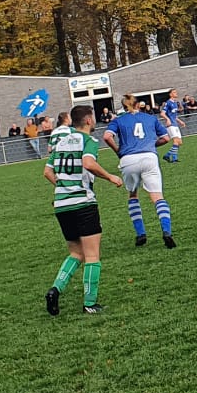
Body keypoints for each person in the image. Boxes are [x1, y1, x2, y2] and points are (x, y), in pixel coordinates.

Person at [44, 104, 119, 316]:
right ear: (87, 120)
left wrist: (63, 186)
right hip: (83, 203)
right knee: (92, 254)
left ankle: (55, 289)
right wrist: (111, 177)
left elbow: (47, 172)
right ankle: (90, 303)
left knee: (76, 252)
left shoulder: (61, 142)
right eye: (92, 118)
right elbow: (88, 163)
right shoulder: (88, 141)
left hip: (61, 205)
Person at [105, 96, 176, 248]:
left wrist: (118, 151)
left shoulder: (118, 120)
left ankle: (141, 234)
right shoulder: (150, 118)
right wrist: (151, 144)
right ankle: (167, 231)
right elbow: (165, 138)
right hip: (149, 157)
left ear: (124, 106)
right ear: (138, 104)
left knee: (133, 195)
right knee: (157, 197)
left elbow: (107, 136)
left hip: (128, 159)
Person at [162, 88, 186, 162]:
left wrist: (180, 121)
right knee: (176, 141)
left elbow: (174, 116)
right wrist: (168, 119)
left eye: (176, 92)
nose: (176, 93)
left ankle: (167, 155)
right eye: (174, 92)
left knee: (180, 142)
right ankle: (174, 159)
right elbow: (162, 114)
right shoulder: (168, 103)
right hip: (171, 125)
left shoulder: (175, 103)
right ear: (170, 94)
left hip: (175, 124)